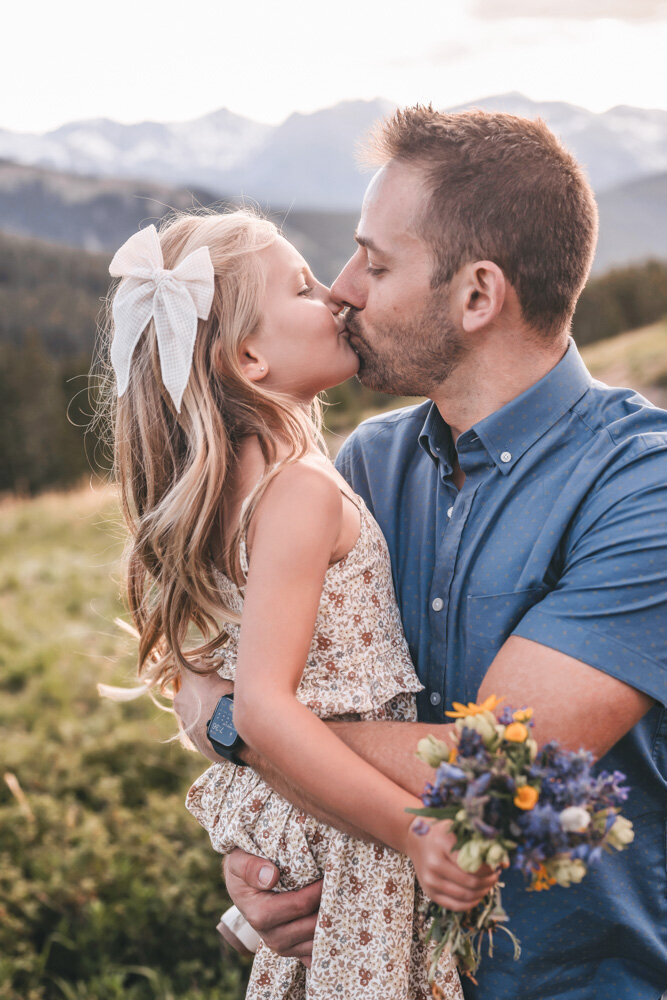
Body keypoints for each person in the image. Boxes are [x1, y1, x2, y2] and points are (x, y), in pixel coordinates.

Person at [176, 107, 667, 1000]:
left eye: (376, 260)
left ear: (477, 296)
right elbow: (216, 672)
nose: (341, 287)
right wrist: (267, 863)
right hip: (378, 967)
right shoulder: (358, 471)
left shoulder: (645, 494)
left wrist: (248, 729)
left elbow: (494, 764)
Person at [102, 208, 489, 999]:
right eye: (304, 288)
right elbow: (265, 713)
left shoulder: (239, 490)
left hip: (318, 805)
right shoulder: (300, 489)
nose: (335, 297)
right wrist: (417, 835)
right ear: (248, 357)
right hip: (361, 823)